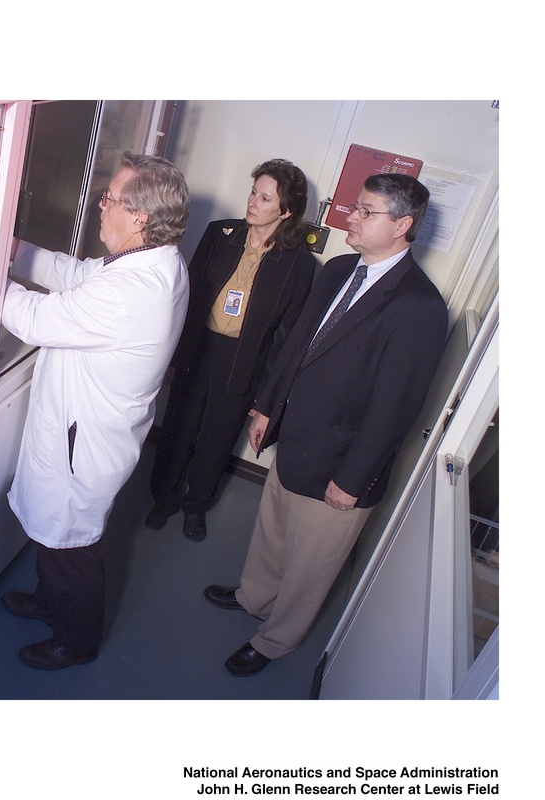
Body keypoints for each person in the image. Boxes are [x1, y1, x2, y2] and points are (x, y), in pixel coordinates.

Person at [204, 173, 448, 676]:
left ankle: (275, 639)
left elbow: (396, 408)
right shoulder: (339, 269)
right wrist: (267, 408)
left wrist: (353, 479)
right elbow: (297, 347)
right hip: (294, 437)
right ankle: (254, 597)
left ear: (402, 224)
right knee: (271, 531)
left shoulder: (420, 307)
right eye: (353, 207)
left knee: (311, 564)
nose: (349, 218)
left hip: (341, 462)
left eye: (365, 211)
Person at [0, 152, 190, 669]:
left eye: (109, 199)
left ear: (139, 218)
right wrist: (11, 251)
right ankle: (47, 601)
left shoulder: (133, 290)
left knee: (73, 549)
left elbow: (37, 318)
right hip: (79, 429)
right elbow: (72, 273)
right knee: (57, 539)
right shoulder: (148, 261)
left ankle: (75, 641)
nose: (100, 207)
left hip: (82, 446)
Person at [146, 159, 315, 541]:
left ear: (285, 210)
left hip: (244, 360)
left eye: (265, 197)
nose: (253, 201)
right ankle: (164, 497)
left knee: (217, 438)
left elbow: (285, 338)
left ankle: (196, 506)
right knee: (178, 427)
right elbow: (184, 299)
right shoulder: (219, 234)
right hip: (198, 349)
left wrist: (267, 397)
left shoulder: (298, 264)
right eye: (254, 191)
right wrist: (172, 356)